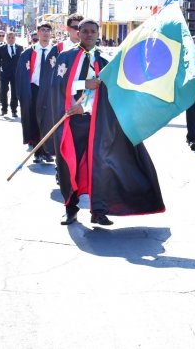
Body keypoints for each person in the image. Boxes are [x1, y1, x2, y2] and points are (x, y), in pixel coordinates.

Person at [51, 18, 165, 226]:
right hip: (71, 121)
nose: (88, 35)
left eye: (92, 31)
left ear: (98, 33)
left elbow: (107, 93)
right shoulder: (66, 57)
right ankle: (70, 207)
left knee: (100, 165)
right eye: (84, 31)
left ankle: (99, 210)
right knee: (71, 165)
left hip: (97, 122)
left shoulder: (104, 62)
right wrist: (83, 84)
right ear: (78, 32)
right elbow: (58, 85)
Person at [16, 22, 59, 163]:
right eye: (43, 30)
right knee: (34, 119)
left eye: (48, 30)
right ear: (38, 32)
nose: (45, 33)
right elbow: (21, 75)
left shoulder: (57, 52)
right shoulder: (29, 52)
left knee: (48, 120)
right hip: (34, 89)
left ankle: (46, 150)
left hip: (49, 90)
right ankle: (37, 151)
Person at [0, 32, 22, 118]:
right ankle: (4, 109)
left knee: (15, 92)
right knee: (3, 91)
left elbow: (22, 62)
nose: (11, 39)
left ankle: (14, 110)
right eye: (9, 37)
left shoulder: (19, 48)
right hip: (4, 73)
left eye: (12, 37)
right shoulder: (1, 48)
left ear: (15, 38)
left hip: (16, 74)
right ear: (6, 38)